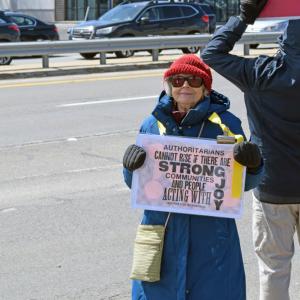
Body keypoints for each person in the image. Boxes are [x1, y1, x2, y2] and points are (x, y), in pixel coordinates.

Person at [122, 54, 263, 299]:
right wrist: (129, 167)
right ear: (169, 86)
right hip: (162, 233)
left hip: (211, 236)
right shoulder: (152, 125)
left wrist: (253, 166)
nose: (185, 86)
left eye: (193, 81)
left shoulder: (226, 126)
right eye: (177, 81)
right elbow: (138, 185)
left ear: (206, 89)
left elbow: (242, 186)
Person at [201, 1, 300, 299]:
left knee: (273, 267)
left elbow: (211, 53)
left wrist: (244, 18)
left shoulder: (259, 71)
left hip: (272, 187)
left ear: (282, 42)